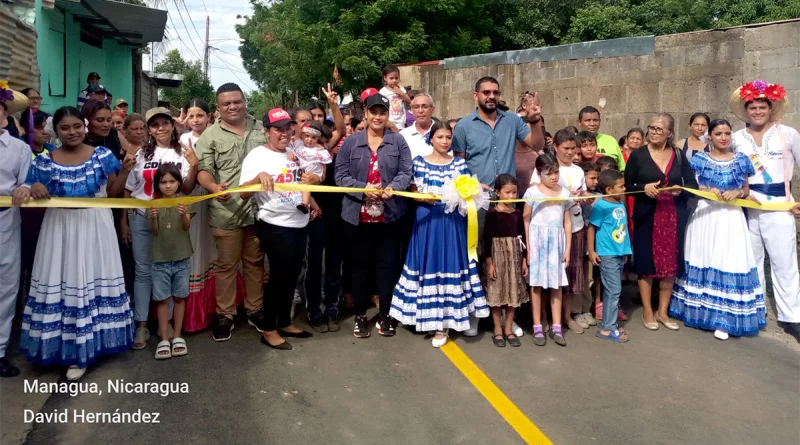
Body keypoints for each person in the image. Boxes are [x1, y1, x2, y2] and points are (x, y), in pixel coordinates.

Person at [13, 106, 135, 381]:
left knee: (91, 281)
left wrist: (126, 171)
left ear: (84, 126)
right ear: (56, 131)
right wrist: (32, 188)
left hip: (96, 227)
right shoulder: (45, 161)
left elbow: (114, 193)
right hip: (59, 230)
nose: (72, 132)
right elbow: (29, 186)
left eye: (77, 126)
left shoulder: (103, 156)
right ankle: (63, 346)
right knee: (63, 282)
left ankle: (86, 349)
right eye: (65, 128)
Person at [452, 76, 543, 337]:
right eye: (486, 92)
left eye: (495, 92)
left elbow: (535, 144)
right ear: (475, 95)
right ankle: (474, 313)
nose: (491, 96)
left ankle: (505, 316)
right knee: (476, 256)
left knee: (506, 259)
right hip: (475, 203)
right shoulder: (463, 127)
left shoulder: (513, 121)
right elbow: (458, 164)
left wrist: (535, 120)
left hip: (505, 202)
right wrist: (471, 185)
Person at [390, 121, 489, 347]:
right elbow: (412, 189)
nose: (444, 141)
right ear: (431, 139)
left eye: (448, 138)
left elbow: (466, 194)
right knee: (428, 265)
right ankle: (425, 317)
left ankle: (444, 322)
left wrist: (472, 192)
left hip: (452, 222)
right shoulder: (419, 163)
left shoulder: (459, 164)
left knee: (449, 265)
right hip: (426, 221)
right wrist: (420, 196)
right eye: (440, 137)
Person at [670, 119, 764, 340]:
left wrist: (738, 193)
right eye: (719, 133)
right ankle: (697, 311)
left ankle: (724, 318)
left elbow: (745, 188)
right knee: (703, 256)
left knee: (728, 259)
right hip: (705, 215)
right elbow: (693, 186)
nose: (723, 137)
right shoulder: (700, 159)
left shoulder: (741, 160)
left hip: (731, 216)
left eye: (727, 133)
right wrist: (706, 189)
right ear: (709, 136)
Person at [195, 83, 269, 341]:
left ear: (244, 101)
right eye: (226, 104)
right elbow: (202, 170)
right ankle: (225, 314)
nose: (232, 106)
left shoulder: (262, 129)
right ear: (218, 107)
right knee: (226, 266)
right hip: (226, 210)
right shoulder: (210, 136)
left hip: (260, 209)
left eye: (236, 101)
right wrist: (213, 186)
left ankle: (255, 309)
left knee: (255, 263)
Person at [728, 79, 800, 342]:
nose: (757, 111)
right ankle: (754, 311)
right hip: (747, 206)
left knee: (785, 263)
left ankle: (792, 317)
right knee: (751, 260)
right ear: (746, 111)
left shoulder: (788, 134)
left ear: (771, 109)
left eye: (762, 107)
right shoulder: (736, 138)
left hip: (779, 206)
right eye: (753, 108)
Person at [335, 93, 412, 338]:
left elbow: (406, 172)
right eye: (373, 112)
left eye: (383, 112)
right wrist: (363, 188)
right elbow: (340, 176)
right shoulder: (351, 142)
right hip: (356, 217)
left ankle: (385, 315)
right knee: (359, 266)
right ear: (366, 114)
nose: (378, 117)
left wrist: (393, 188)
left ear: (387, 115)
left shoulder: (398, 142)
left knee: (387, 266)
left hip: (389, 216)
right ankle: (360, 315)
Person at [123, 107, 198, 350]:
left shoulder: (182, 153)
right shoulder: (141, 153)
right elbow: (128, 189)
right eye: (154, 125)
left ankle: (167, 327)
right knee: (144, 271)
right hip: (141, 215)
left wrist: (194, 166)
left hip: (172, 220)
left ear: (172, 125)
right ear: (149, 129)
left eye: (165, 123)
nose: (161, 128)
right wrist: (122, 221)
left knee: (172, 268)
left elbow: (186, 188)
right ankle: (142, 324)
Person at [240, 108, 313, 350]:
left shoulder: (293, 152)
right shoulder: (257, 156)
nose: (284, 133)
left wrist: (313, 201)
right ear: (266, 132)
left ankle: (284, 321)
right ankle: (269, 329)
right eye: (278, 129)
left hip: (299, 223)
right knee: (278, 278)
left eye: (287, 128)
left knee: (292, 276)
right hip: (275, 225)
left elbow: (301, 181)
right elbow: (242, 193)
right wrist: (257, 178)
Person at [625, 113, 698, 332]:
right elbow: (627, 185)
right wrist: (642, 187)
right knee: (646, 265)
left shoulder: (678, 155)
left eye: (659, 129)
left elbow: (691, 183)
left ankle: (662, 311)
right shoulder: (638, 155)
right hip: (647, 215)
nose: (654, 132)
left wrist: (680, 189)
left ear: (669, 133)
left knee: (670, 265)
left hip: (673, 215)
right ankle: (648, 310)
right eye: (652, 128)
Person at [530, 130, 589, 333]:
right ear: (555, 146)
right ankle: (543, 318)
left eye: (574, 148)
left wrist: (582, 196)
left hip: (574, 225)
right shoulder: (544, 166)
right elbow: (534, 195)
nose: (570, 152)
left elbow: (582, 192)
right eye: (566, 148)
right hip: (546, 232)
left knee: (571, 273)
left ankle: (566, 317)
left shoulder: (578, 171)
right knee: (545, 277)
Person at [177, 99, 218, 333]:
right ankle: (191, 309)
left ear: (209, 116)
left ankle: (214, 305)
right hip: (192, 194)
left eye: (200, 115)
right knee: (194, 247)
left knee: (212, 247)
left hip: (213, 194)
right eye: (191, 116)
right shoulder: (183, 140)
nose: (195, 120)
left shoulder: (215, 135)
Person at [524, 153, 572, 346]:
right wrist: (528, 248)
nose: (553, 177)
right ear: (539, 173)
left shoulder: (565, 193)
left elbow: (567, 222)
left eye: (556, 172)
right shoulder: (532, 192)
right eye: (548, 173)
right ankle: (537, 326)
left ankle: (557, 326)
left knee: (556, 285)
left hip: (557, 242)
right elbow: (526, 219)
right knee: (536, 285)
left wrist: (567, 248)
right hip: (537, 241)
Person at [0, 93, 32, 378]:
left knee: (7, 286)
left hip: (6, 221)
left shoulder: (19, 149)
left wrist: (26, 187)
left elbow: (28, 180)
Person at [148, 164, 193, 359]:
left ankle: (177, 335)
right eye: (163, 182)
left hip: (182, 258)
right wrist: (152, 219)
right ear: (158, 185)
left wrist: (183, 214)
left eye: (172, 181)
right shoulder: (153, 204)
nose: (168, 186)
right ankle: (164, 339)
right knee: (162, 299)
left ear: (178, 183)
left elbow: (186, 227)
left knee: (180, 297)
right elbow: (155, 231)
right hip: (160, 260)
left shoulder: (184, 202)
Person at [483, 174, 529, 347]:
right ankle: (497, 330)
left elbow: (522, 238)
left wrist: (524, 260)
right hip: (498, 257)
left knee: (513, 293)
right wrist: (490, 263)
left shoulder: (517, 214)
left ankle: (508, 329)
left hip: (515, 258)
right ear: (497, 193)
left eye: (514, 193)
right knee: (497, 294)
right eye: (507, 192)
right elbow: (486, 240)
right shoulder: (493, 214)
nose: (511, 196)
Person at [588, 169, 632, 342]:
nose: (624, 189)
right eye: (621, 186)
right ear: (609, 190)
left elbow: (623, 229)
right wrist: (592, 251)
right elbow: (592, 228)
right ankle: (608, 328)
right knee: (614, 290)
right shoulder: (601, 206)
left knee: (613, 291)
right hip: (607, 254)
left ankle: (609, 322)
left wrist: (626, 251)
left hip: (620, 252)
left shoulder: (620, 203)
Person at [293, 122, 333, 214]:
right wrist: (292, 154)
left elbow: (324, 163)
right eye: (307, 136)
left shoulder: (319, 149)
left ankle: (305, 204)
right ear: (302, 135)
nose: (310, 139)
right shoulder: (299, 145)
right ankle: (317, 209)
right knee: (305, 190)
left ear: (317, 138)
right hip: (305, 172)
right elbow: (294, 151)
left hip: (315, 172)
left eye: (313, 137)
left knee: (305, 188)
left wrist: (323, 173)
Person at [577, 106, 625, 170]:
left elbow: (622, 169)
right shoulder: (573, 141)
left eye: (595, 120)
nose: (592, 124)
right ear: (579, 122)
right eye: (588, 120)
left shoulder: (611, 141)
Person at [399, 93, 436, 159]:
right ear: (412, 110)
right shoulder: (403, 135)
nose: (420, 111)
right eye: (416, 107)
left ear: (432, 109)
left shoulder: (443, 133)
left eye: (425, 107)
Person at [379, 65, 411, 130]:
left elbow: (409, 101)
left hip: (400, 121)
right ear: (385, 78)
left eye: (396, 78)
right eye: (391, 78)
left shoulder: (401, 89)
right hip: (388, 120)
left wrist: (401, 93)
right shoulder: (383, 91)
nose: (394, 81)